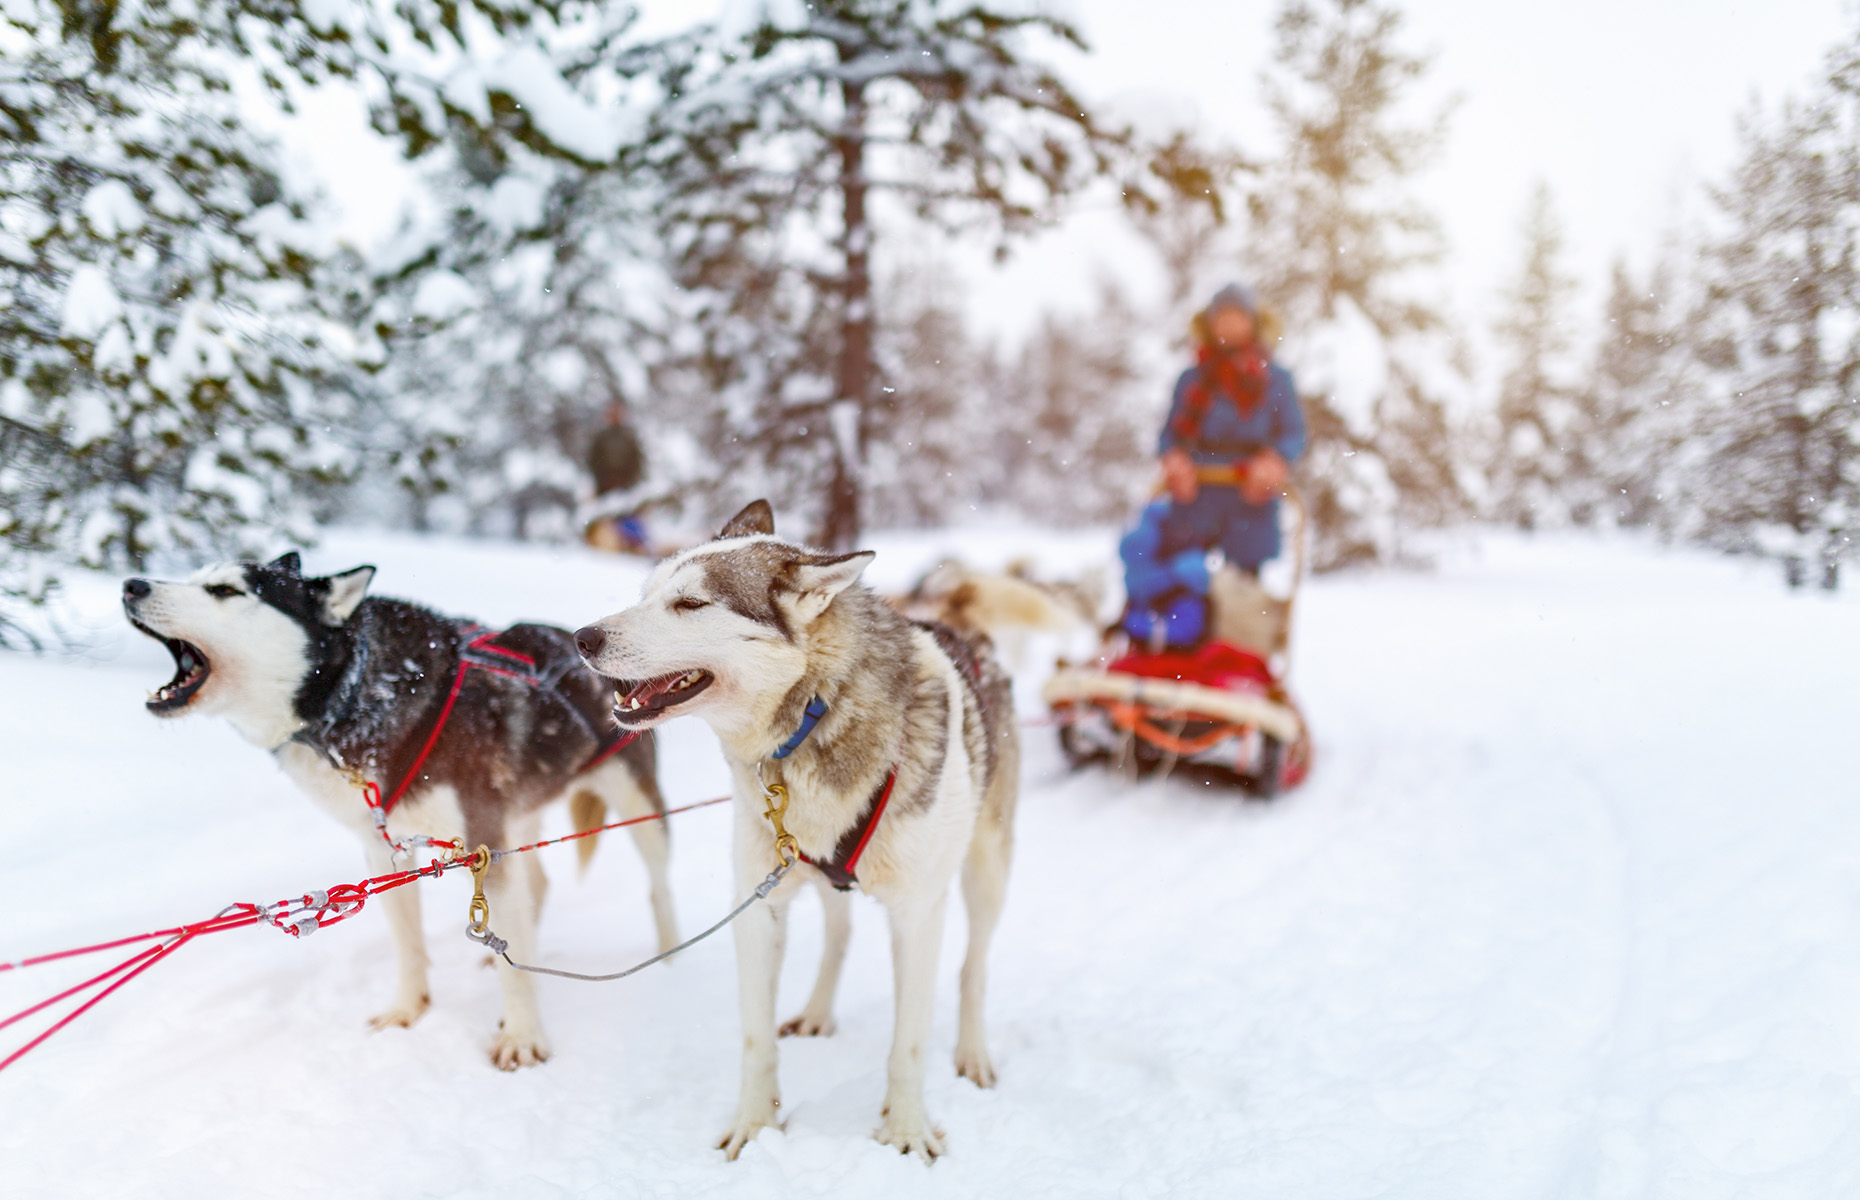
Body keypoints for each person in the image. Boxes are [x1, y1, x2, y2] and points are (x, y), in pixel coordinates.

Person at [1120, 282, 1306, 648]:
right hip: (1196, 494)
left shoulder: (1276, 380)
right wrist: (1175, 461)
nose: (1230, 326)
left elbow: (1293, 434)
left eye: (1238, 318)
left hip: (1250, 495)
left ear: (1253, 323)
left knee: (1242, 583)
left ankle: (1239, 650)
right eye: (1223, 318)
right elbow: (1170, 435)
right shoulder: (1192, 379)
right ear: (1209, 324)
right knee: (1181, 575)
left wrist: (1272, 461)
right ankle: (1174, 648)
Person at [586, 399, 650, 553]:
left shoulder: (629, 437)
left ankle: (635, 544)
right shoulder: (601, 437)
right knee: (606, 520)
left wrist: (630, 481)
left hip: (626, 487)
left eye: (617, 413)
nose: (615, 416)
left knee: (628, 518)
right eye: (612, 413)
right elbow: (593, 461)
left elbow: (638, 461)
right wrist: (601, 482)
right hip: (605, 488)